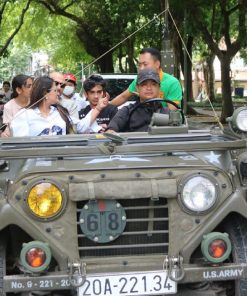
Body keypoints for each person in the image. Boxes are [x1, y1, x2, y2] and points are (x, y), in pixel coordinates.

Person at [10, 76, 108, 137]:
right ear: (45, 93)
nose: (58, 93)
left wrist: (98, 108)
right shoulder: (24, 116)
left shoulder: (60, 112)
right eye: (55, 90)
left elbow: (81, 127)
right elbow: (21, 146)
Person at [110, 47, 182, 110]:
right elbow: (123, 97)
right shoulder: (138, 80)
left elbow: (171, 111)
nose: (141, 68)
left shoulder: (173, 83)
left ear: (157, 64)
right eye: (139, 65)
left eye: (145, 64)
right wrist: (105, 108)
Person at [107, 68, 170, 132]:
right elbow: (112, 127)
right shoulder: (127, 111)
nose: (149, 88)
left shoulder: (167, 112)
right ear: (137, 88)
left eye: (153, 84)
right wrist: (111, 130)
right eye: (144, 84)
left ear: (159, 88)